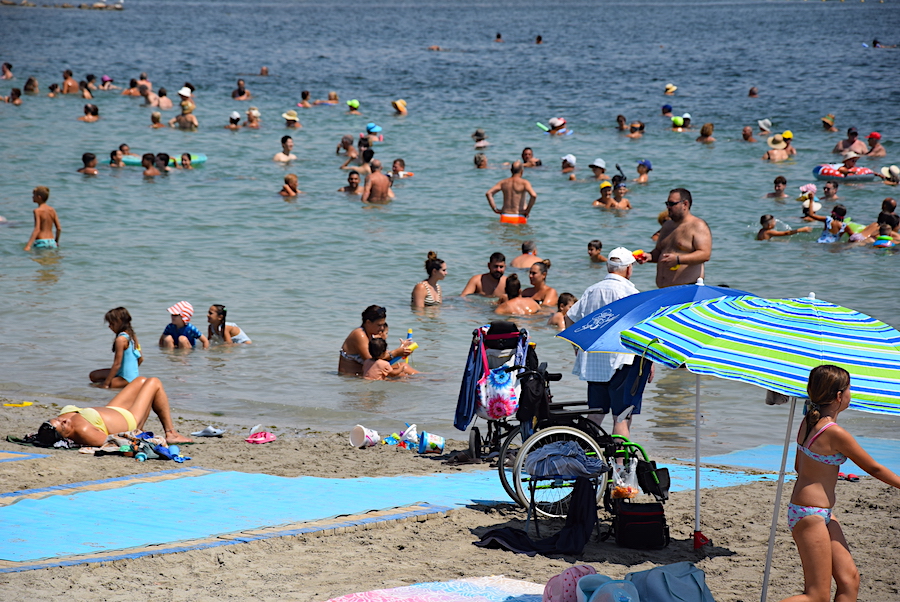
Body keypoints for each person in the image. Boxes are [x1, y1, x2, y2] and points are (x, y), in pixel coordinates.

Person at [777, 365, 900, 602]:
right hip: (809, 514)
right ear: (839, 396)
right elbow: (874, 468)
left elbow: (798, 466)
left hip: (819, 513)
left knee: (849, 580)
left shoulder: (808, 422)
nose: (852, 394)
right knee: (816, 596)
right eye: (850, 389)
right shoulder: (834, 432)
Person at [564, 248, 652, 437]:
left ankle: (584, 456)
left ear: (608, 267)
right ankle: (620, 464)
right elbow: (643, 331)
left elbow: (569, 318)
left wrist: (578, 348)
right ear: (628, 269)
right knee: (621, 417)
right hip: (623, 362)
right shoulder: (631, 293)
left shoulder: (591, 291)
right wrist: (650, 361)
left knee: (595, 415)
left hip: (594, 361)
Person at [34, 376, 193, 447]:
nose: (63, 420)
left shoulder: (63, 420)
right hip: (129, 420)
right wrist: (134, 437)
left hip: (112, 410)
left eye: (58, 419)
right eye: (63, 426)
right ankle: (171, 433)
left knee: (141, 381)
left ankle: (147, 428)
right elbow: (110, 442)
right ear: (66, 436)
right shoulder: (83, 432)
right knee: (154, 382)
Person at [636, 188, 712, 288]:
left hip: (687, 288)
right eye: (667, 204)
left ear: (685, 204)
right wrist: (649, 257)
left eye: (672, 204)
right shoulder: (667, 226)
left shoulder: (698, 225)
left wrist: (678, 259)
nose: (668, 207)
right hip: (663, 289)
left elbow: (705, 254)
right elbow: (659, 252)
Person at [339, 305, 413, 375]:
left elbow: (380, 357)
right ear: (368, 322)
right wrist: (396, 352)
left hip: (367, 374)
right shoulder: (359, 334)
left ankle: (423, 379)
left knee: (404, 370)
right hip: (353, 377)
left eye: (383, 325)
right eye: (379, 325)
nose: (382, 328)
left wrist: (402, 350)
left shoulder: (371, 335)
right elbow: (372, 360)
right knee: (404, 369)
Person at [89, 307, 143, 388]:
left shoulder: (120, 340)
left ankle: (120, 384)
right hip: (129, 375)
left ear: (120, 322)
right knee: (93, 375)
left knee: (95, 386)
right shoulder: (132, 335)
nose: (109, 326)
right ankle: (119, 383)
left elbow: (117, 364)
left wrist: (106, 384)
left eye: (112, 323)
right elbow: (141, 358)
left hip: (126, 378)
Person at [23, 186, 61, 251]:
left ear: (39, 197)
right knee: (51, 260)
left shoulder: (37, 211)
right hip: (51, 242)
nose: (32, 197)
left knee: (40, 260)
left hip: (41, 241)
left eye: (34, 195)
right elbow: (59, 228)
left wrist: (28, 245)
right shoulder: (52, 210)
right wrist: (56, 241)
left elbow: (37, 229)